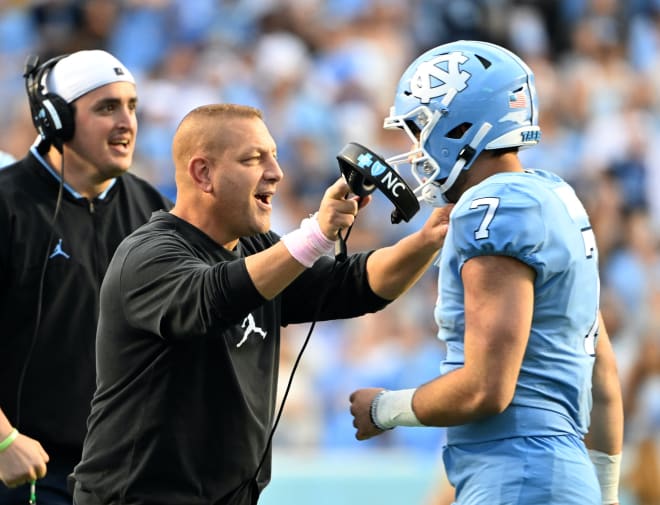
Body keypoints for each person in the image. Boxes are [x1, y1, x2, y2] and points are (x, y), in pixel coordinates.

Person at [70, 103, 451, 505]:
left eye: (274, 155)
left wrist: (428, 239)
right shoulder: (148, 255)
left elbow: (353, 285)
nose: (276, 172)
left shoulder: (254, 248)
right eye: (254, 158)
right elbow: (214, 297)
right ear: (204, 174)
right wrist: (315, 235)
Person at [349, 40, 624, 505]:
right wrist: (605, 493)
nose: (416, 148)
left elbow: (486, 390)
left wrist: (383, 409)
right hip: (553, 473)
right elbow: (604, 377)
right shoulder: (555, 197)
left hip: (519, 471)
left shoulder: (492, 207)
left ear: (458, 124)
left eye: (420, 128)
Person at [0, 50, 173, 504]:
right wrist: (1, 439)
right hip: (25, 470)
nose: (126, 122)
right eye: (106, 107)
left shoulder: (152, 208)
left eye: (132, 106)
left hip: (129, 472)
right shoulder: (7, 204)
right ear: (55, 119)